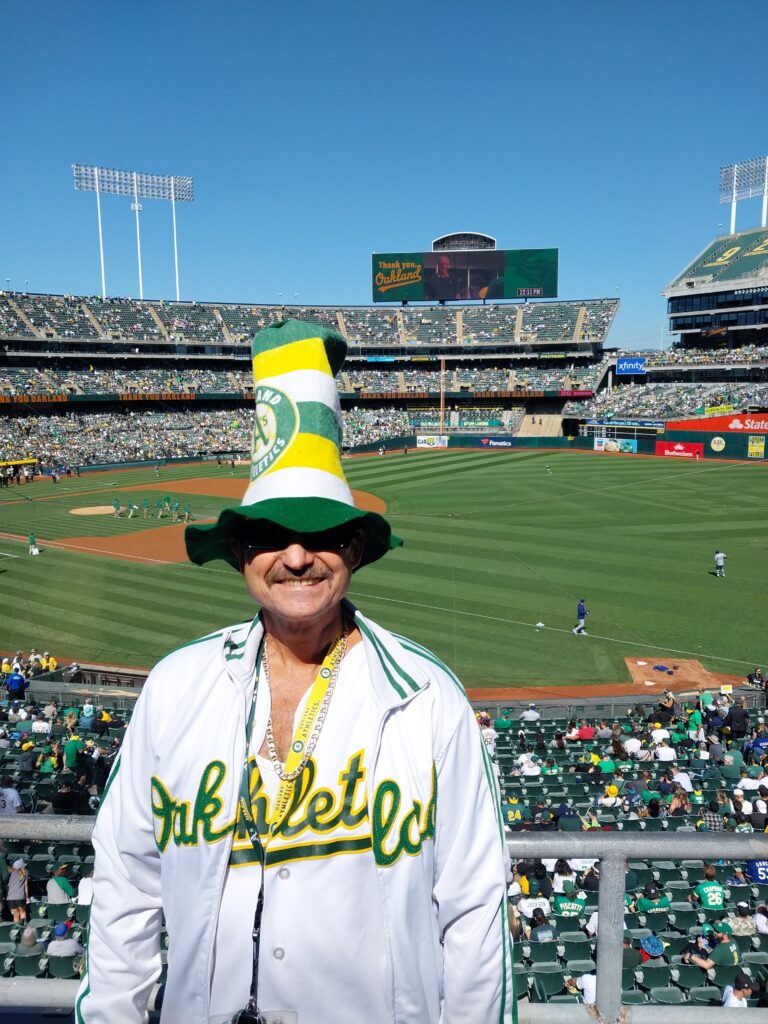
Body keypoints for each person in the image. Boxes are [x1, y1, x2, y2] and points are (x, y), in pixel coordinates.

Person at [78, 320, 514, 1024]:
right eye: (267, 535)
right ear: (238, 551)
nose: (297, 557)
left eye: (323, 535)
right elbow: (126, 884)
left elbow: (473, 907)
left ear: (356, 549)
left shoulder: (429, 697)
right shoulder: (174, 687)